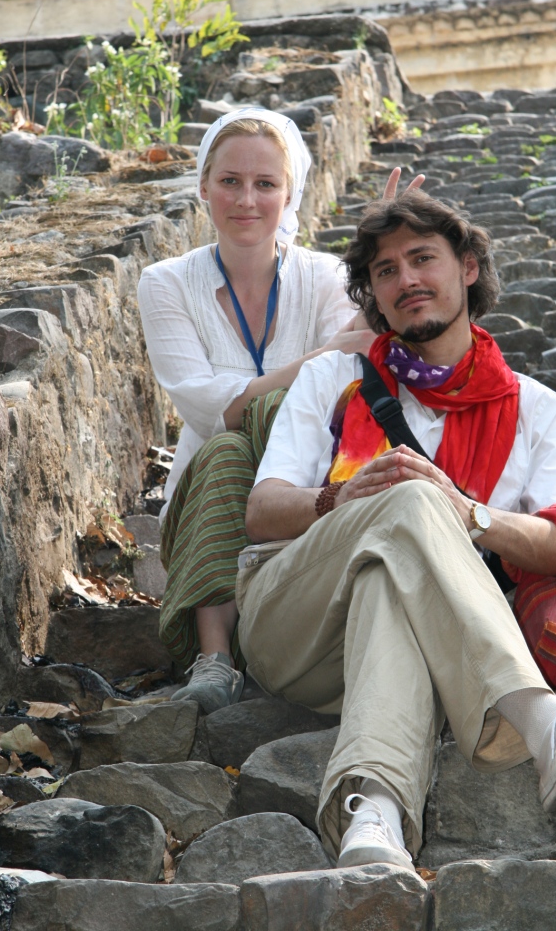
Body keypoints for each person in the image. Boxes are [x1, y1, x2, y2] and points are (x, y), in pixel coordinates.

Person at [237, 188, 556, 869]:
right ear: (373, 294)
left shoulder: (539, 409)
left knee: (390, 579)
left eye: (422, 258)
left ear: (468, 268)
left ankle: (373, 812)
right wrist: (341, 498)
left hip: (422, 638)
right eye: (386, 270)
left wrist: (469, 514)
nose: (406, 280)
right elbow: (262, 510)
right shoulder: (334, 377)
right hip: (295, 617)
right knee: (409, 497)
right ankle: (538, 717)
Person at [137, 106, 377, 712]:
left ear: (289, 194)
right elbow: (206, 408)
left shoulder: (325, 276)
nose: (247, 199)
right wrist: (318, 358)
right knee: (225, 447)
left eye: (265, 183)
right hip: (206, 503)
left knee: (256, 426)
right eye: (230, 181)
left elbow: (350, 373)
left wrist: (380, 255)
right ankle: (214, 657)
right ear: (203, 187)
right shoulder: (166, 283)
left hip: (306, 492)